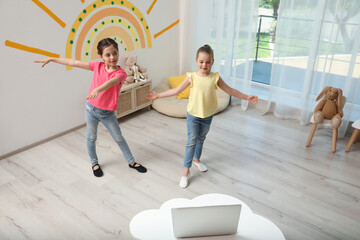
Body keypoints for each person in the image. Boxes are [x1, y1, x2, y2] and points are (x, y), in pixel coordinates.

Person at [145, 44, 258, 188]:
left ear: (213, 62)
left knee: (201, 138)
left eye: (208, 62)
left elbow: (230, 90)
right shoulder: (191, 77)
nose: (204, 65)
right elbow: (176, 90)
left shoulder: (215, 78)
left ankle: (196, 160)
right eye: (201, 61)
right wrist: (158, 95)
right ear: (197, 61)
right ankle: (185, 172)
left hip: (208, 115)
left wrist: (246, 97)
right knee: (191, 141)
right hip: (193, 115)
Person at [34, 38, 147, 177]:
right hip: (90, 110)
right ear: (101, 57)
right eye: (107, 55)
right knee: (91, 138)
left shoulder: (121, 73)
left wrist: (97, 89)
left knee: (119, 138)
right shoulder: (97, 66)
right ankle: (94, 163)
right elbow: (74, 62)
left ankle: (131, 162)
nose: (112, 57)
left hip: (107, 113)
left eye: (115, 53)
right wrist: (52, 59)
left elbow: (112, 82)